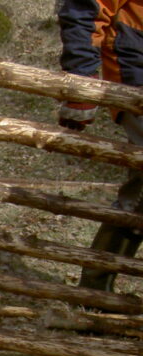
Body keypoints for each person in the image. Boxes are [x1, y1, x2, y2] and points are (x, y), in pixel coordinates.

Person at [57, 0, 143, 292]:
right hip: (137, 75)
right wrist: (82, 85)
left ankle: (95, 290)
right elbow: (84, 9)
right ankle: (95, 289)